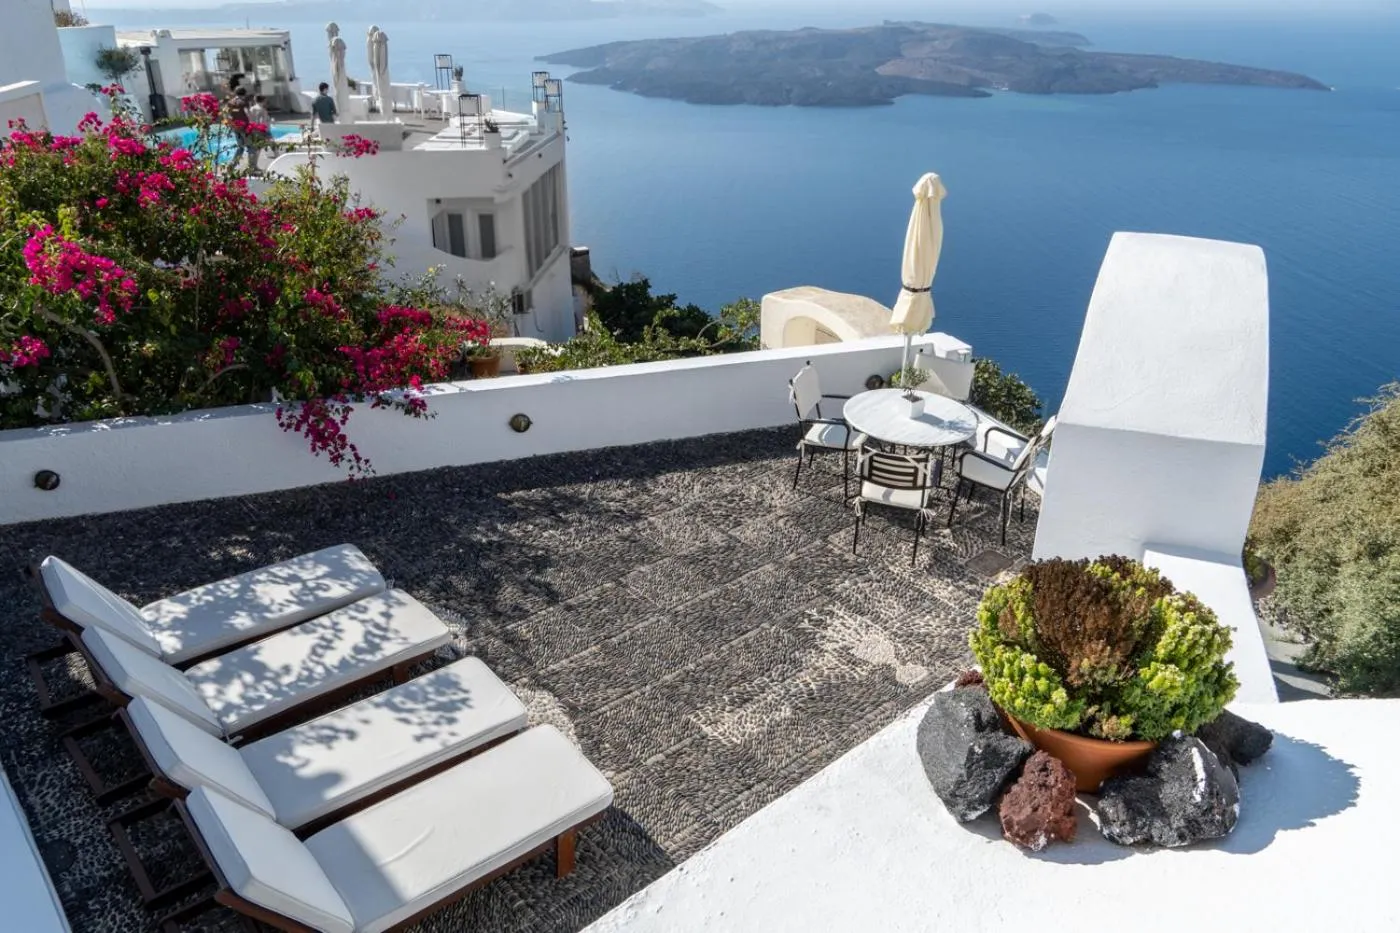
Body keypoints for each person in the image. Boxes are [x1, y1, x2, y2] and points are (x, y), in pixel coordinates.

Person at [225, 86, 251, 171]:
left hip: (236, 128)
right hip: (245, 128)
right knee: (250, 147)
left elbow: (227, 115)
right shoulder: (243, 103)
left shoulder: (230, 102)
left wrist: (231, 125)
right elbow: (248, 114)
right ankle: (252, 167)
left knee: (240, 147)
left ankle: (232, 166)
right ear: (244, 93)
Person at [246, 94, 271, 172]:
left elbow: (249, 120)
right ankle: (254, 166)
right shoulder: (262, 110)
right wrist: (266, 132)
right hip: (259, 131)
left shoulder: (251, 108)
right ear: (263, 101)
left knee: (251, 149)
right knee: (257, 150)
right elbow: (262, 122)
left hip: (251, 130)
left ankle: (250, 166)